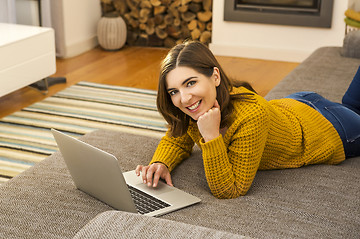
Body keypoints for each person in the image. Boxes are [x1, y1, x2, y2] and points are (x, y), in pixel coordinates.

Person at [135, 41, 360, 199]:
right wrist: (160, 163)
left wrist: (211, 135)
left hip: (330, 128)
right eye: (173, 91)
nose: (184, 98)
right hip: (297, 103)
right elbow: (177, 138)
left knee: (351, 107)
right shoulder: (196, 106)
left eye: (190, 83)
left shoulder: (250, 115)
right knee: (351, 104)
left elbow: (230, 189)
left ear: (215, 76)